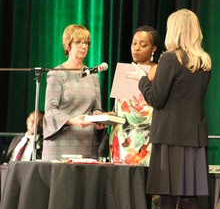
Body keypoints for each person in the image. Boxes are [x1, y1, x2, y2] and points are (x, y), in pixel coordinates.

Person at [126, 9, 212, 209]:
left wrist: (142, 78)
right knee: (190, 199)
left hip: (169, 140)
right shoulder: (204, 61)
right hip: (194, 138)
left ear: (175, 30)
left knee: (167, 200)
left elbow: (156, 99)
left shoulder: (170, 59)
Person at [42, 24, 107, 161]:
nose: (84, 46)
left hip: (87, 142)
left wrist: (101, 118)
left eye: (86, 43)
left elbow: (96, 108)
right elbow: (50, 110)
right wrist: (72, 121)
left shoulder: (93, 75)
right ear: (68, 45)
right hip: (61, 142)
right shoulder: (57, 74)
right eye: (79, 42)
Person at [109, 25, 161, 166]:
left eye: (143, 45)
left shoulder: (158, 72)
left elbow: (156, 106)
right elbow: (120, 111)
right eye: (134, 43)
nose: (136, 48)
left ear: (153, 49)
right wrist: (108, 117)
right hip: (122, 141)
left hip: (146, 141)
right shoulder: (124, 72)